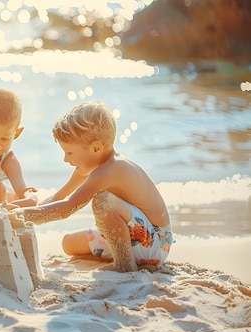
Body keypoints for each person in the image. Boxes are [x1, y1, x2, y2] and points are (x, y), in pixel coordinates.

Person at [10, 101, 174, 272]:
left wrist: (18, 216)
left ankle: (125, 265)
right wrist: (24, 213)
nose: (66, 159)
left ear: (96, 148)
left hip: (155, 242)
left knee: (103, 201)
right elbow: (59, 198)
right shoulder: (91, 165)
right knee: (69, 243)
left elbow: (67, 208)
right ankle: (125, 257)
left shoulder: (110, 170)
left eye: (70, 152)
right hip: (135, 238)